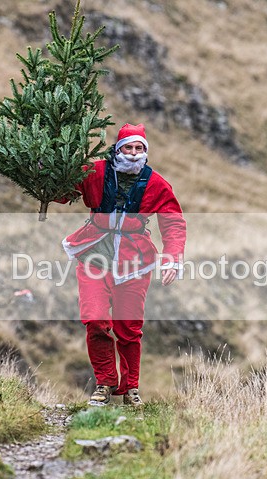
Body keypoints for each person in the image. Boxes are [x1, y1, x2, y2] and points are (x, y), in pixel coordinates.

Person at [58, 123, 186, 407]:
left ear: (145, 151)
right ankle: (104, 383)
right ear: (117, 150)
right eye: (128, 147)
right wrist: (44, 168)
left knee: (129, 328)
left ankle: (131, 389)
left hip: (135, 261)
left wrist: (173, 258)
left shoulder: (157, 184)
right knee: (95, 320)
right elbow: (64, 191)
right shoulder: (94, 171)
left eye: (139, 148)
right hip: (94, 254)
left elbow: (173, 222)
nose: (133, 153)